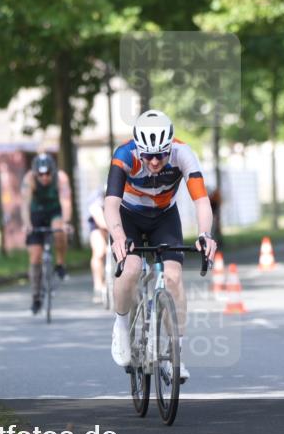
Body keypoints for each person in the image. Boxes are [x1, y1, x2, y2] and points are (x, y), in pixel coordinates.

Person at [105, 110, 217, 383]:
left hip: (164, 216)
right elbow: (111, 204)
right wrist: (119, 237)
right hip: (129, 217)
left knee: (174, 277)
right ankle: (120, 328)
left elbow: (201, 200)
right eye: (148, 156)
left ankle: (175, 353)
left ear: (169, 148)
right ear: (139, 150)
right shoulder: (124, 155)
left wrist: (205, 234)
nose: (155, 161)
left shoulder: (183, 153)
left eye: (161, 155)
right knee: (130, 269)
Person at [20, 153, 72, 314]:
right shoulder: (29, 179)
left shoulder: (61, 178)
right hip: (36, 214)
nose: (44, 177)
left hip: (54, 212)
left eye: (48, 173)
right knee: (35, 255)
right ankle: (36, 297)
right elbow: (24, 204)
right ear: (35, 173)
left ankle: (60, 264)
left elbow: (66, 202)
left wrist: (66, 222)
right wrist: (27, 224)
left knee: (59, 229)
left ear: (53, 171)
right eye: (40, 174)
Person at [86, 186, 109, 303]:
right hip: (97, 225)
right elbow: (100, 221)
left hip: (113, 221)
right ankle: (98, 286)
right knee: (100, 251)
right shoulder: (96, 198)